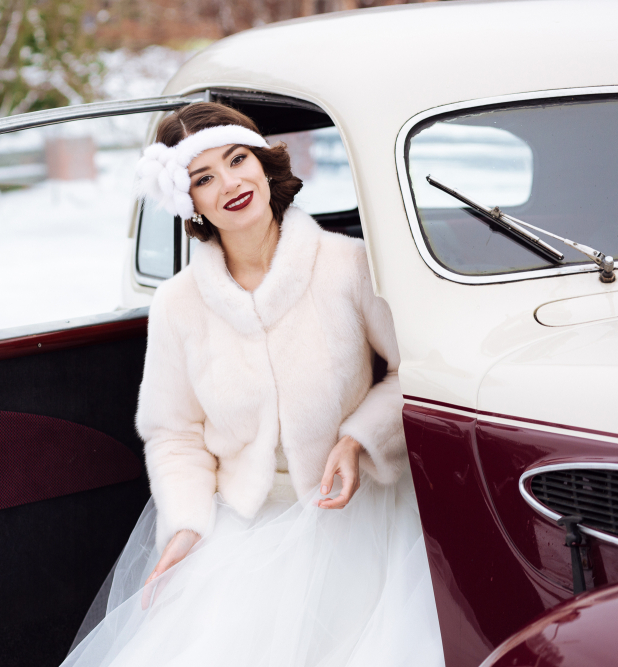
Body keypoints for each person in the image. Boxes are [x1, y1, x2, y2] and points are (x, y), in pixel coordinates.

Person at [61, 103, 444, 666]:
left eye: (238, 159)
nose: (229, 184)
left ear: (264, 163)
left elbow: (416, 371)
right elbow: (174, 432)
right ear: (189, 201)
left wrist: (358, 438)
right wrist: (186, 523)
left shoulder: (349, 264)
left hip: (365, 514)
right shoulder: (177, 304)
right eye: (203, 178)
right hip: (244, 523)